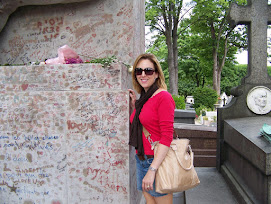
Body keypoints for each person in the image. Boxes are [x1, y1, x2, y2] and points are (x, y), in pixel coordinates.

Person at [129, 53, 175, 204]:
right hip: (141, 158)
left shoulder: (163, 97)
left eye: (148, 71)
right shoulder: (144, 98)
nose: (143, 74)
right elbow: (142, 121)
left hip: (155, 162)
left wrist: (152, 170)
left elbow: (167, 136)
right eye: (138, 71)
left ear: (156, 74)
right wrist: (134, 106)